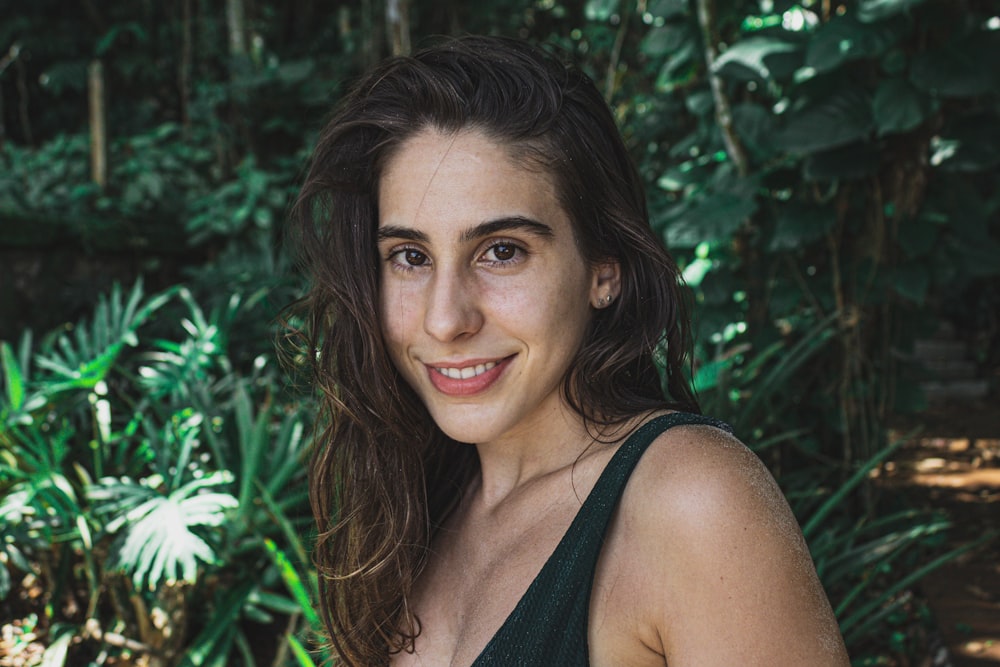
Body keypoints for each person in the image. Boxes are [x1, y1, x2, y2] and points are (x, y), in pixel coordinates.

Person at [286, 35, 849, 666]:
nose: (445, 320)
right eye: (410, 257)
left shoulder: (690, 501)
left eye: (502, 251)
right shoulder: (418, 501)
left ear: (602, 269)